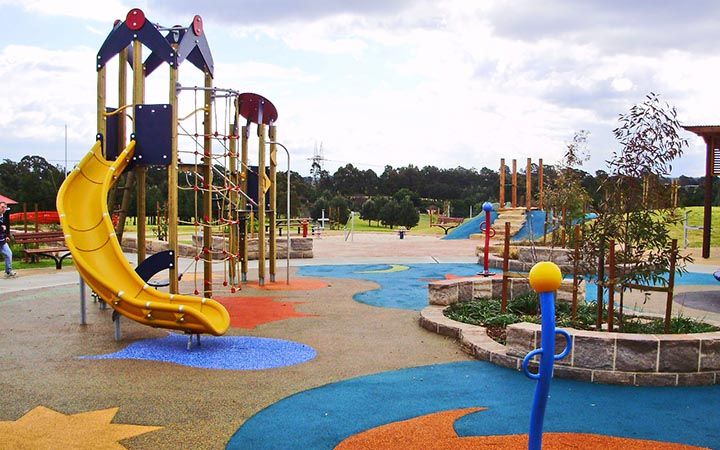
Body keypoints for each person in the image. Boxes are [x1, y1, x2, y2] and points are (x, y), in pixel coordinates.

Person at [0, 201, 16, 278]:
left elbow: (6, 228)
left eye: (5, 207)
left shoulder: (5, 216)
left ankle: (8, 271)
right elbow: (2, 227)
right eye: (2, 207)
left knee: (9, 254)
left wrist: (6, 236)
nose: (3, 209)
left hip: (2, 241)